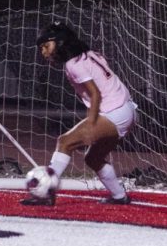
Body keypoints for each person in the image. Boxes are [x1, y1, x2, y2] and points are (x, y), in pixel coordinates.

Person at [25, 21, 136, 206]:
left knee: (65, 141)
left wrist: (91, 122)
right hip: (127, 110)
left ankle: (45, 193)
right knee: (93, 158)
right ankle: (119, 197)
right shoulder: (90, 55)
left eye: (46, 46)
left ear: (60, 42)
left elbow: (95, 93)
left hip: (114, 112)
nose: (43, 52)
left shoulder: (73, 64)